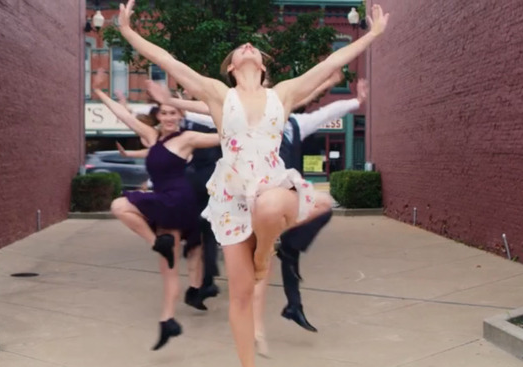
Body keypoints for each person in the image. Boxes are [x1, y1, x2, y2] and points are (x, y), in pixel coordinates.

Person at [116, 0, 390, 367]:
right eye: (241, 49)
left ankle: (265, 255)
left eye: (254, 49)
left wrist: (371, 35)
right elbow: (168, 60)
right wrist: (129, 33)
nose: (247, 46)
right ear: (231, 68)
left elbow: (331, 62)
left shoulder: (284, 94)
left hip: (271, 188)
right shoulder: (217, 95)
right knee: (241, 296)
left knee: (271, 204)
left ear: (263, 67)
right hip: (231, 199)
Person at [148, 77, 370, 345]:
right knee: (255, 264)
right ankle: (258, 323)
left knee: (311, 221)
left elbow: (326, 112)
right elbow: (209, 113)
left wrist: (355, 101)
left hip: (280, 201)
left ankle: (290, 296)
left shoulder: (297, 125)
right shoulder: (240, 119)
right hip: (248, 201)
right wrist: (172, 102)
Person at [92, 69, 220, 350]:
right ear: (158, 116)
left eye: (174, 113)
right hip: (162, 201)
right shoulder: (151, 137)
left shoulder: (188, 138)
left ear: (180, 116)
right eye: (165, 113)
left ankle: (158, 245)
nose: (170, 117)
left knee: (119, 204)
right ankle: (168, 321)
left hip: (179, 202)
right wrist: (100, 92)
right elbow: (123, 116)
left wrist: (202, 101)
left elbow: (227, 132)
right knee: (168, 268)